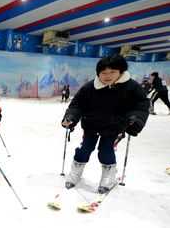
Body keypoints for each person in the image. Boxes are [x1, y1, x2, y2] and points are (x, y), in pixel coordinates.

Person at [61, 54, 149, 194]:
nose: (107, 76)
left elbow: (141, 105)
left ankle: (109, 175)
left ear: (121, 72)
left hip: (115, 127)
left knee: (106, 150)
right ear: (98, 74)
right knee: (84, 149)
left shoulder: (132, 87)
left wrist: (136, 119)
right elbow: (77, 105)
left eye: (112, 72)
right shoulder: (90, 87)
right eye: (104, 73)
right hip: (91, 125)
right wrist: (71, 117)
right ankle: (76, 171)